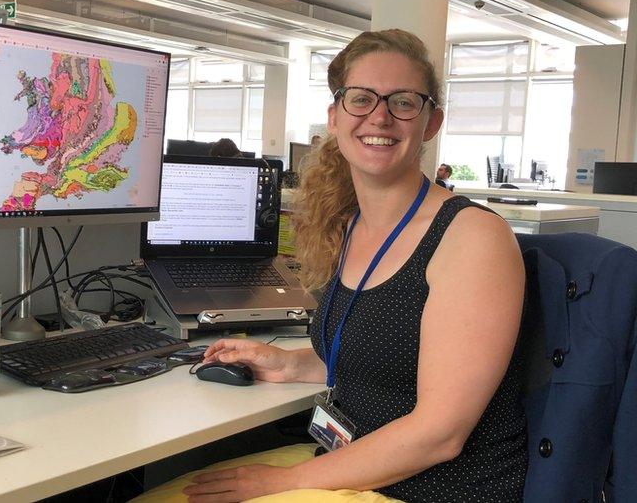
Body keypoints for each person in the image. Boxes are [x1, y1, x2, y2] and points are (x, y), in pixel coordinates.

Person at [143, 30, 527, 502]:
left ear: (431, 122)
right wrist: (289, 365)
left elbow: (439, 433)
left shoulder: (472, 238)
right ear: (336, 116)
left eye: (403, 102)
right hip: (356, 465)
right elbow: (386, 363)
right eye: (361, 99)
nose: (380, 117)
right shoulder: (352, 227)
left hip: (435, 489)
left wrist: (279, 483)